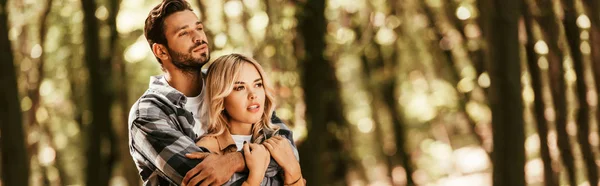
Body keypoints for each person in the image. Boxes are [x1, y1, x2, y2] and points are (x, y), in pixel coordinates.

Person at [127, 0, 297, 185]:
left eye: (199, 28)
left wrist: (235, 161)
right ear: (161, 50)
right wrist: (272, 165)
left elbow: (287, 147)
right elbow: (203, 179)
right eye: (184, 33)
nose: (198, 37)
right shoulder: (148, 114)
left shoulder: (227, 82)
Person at [193, 54, 305, 186]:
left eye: (258, 84)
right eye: (240, 87)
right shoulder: (207, 150)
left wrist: (294, 173)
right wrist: (254, 179)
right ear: (221, 99)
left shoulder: (278, 139)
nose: (253, 95)